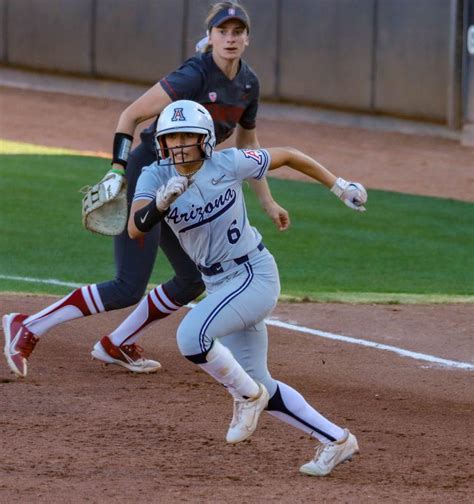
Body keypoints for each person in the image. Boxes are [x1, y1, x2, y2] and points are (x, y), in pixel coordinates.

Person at [2, 2, 290, 378]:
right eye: (223, 31)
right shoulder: (194, 75)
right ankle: (27, 325)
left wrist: (267, 200)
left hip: (184, 184)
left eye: (238, 32)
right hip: (148, 177)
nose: (231, 39)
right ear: (212, 36)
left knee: (193, 278)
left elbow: (247, 143)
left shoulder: (248, 83)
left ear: (247, 38)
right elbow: (130, 115)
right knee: (127, 285)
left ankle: (115, 344)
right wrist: (117, 169)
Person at [126, 99, 366, 476]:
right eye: (172, 137)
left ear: (205, 139)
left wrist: (339, 185)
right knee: (262, 383)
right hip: (218, 284)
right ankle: (335, 440)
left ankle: (245, 396)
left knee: (192, 337)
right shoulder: (154, 177)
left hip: (253, 274)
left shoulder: (228, 163)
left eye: (188, 135)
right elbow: (136, 227)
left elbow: (287, 155)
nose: (179, 144)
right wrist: (159, 203)